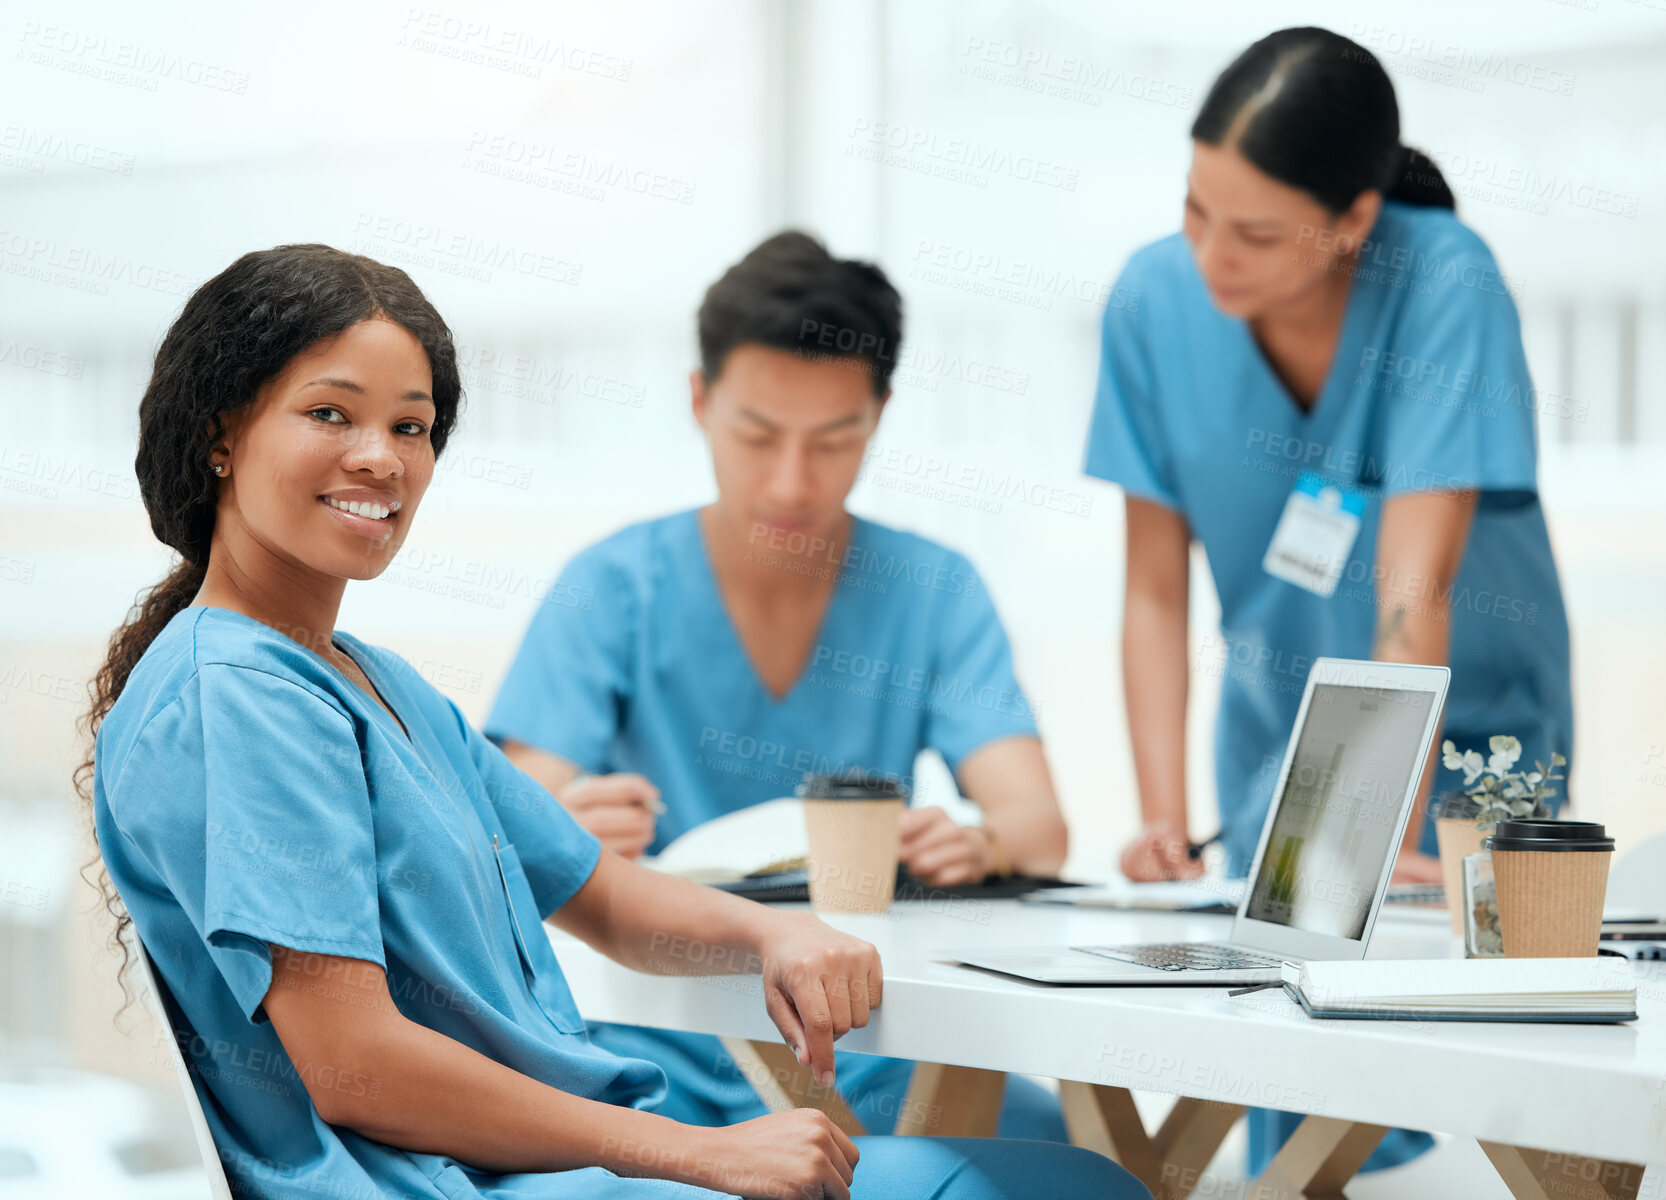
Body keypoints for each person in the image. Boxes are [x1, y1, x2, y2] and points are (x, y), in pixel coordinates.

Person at [81, 244, 1145, 1200]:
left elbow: (609, 899)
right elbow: (357, 1068)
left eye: (410, 426)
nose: (381, 457)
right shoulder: (237, 696)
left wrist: (775, 930)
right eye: (331, 414)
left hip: (549, 1161)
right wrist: (696, 1152)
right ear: (222, 432)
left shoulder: (373, 684)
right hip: (457, 1181)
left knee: (1062, 1170)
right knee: (1073, 1189)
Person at [1083, 27, 1572, 1176]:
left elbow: (1414, 591)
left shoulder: (1442, 278)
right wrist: (1162, 824)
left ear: (1352, 219)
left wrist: (1382, 838)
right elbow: (1153, 589)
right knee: (1291, 1094)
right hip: (1274, 744)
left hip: (1460, 748)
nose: (1211, 253)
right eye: (1197, 209)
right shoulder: (1153, 301)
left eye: (1254, 231)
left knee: (1480, 1090)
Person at [484, 232, 1071, 1140]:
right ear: (699, 400)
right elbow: (505, 817)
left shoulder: (934, 589)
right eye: (757, 436)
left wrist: (981, 841)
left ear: (879, 415)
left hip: (866, 1039)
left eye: (834, 440)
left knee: (1053, 1152)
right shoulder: (612, 587)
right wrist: (566, 821)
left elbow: (1038, 825)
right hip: (648, 1036)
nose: (791, 483)